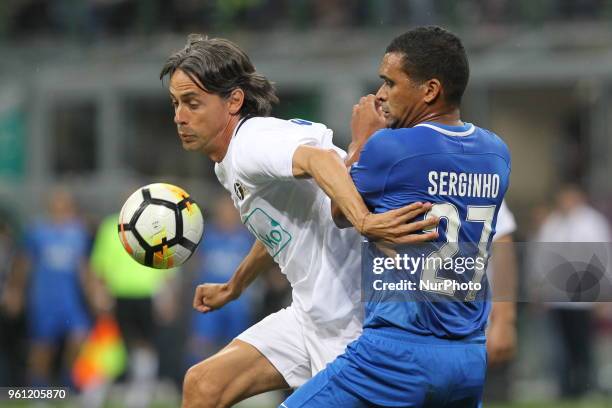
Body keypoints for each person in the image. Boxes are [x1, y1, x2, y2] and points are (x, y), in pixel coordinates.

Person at [160, 35, 439, 408]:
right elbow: (282, 227)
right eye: (176, 103)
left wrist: (364, 221)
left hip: (352, 325)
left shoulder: (251, 143)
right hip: (311, 316)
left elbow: (318, 160)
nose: (180, 116)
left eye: (192, 103)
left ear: (234, 101)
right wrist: (235, 285)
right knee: (204, 384)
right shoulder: (229, 160)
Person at [283, 26, 511, 407]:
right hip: (469, 354)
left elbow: (340, 213)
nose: (380, 95)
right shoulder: (496, 153)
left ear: (430, 90)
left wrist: (361, 142)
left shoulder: (391, 148)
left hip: (398, 352)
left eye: (390, 82)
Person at [4, 189, 91, 387]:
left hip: (70, 300)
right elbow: (23, 264)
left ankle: (68, 386)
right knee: (43, 348)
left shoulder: (78, 233)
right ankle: (39, 391)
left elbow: (84, 267)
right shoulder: (38, 232)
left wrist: (93, 293)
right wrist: (16, 291)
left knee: (79, 338)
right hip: (44, 299)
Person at [187, 195, 254, 363]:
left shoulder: (247, 237)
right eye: (223, 210)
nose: (227, 214)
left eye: (231, 210)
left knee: (237, 345)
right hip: (209, 299)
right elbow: (196, 263)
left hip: (237, 301)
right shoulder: (207, 236)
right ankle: (194, 379)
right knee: (201, 342)